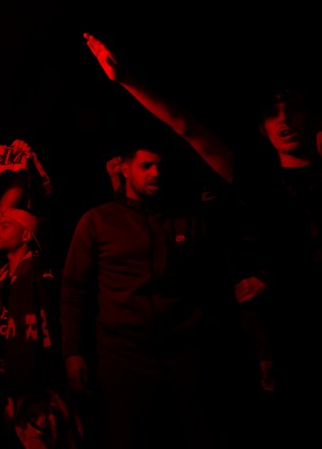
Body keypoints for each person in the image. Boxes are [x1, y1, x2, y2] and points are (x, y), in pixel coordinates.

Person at [83, 32, 318, 427]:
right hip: (295, 336)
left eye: (292, 108)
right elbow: (189, 128)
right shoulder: (262, 184)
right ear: (261, 128)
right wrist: (126, 80)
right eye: (272, 112)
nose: (283, 120)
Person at [60, 140, 243, 449]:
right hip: (123, 357)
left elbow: (213, 280)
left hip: (186, 353)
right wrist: (73, 352)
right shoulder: (97, 221)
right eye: (146, 166)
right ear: (125, 170)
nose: (155, 172)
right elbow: (75, 290)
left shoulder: (188, 218)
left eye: (160, 166)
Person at [0, 206, 82, 447]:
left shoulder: (42, 276)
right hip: (7, 389)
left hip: (39, 390)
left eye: (5, 227)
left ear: (26, 235)